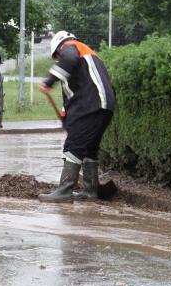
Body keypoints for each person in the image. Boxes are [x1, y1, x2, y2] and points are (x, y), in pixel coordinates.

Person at [38, 31, 115, 202]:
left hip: (91, 104)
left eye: (58, 56)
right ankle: (90, 191)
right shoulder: (87, 54)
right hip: (104, 106)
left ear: (59, 48)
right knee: (89, 148)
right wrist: (68, 121)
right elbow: (70, 100)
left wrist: (49, 81)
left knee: (74, 145)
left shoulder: (71, 47)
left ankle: (64, 191)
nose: (59, 59)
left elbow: (68, 59)